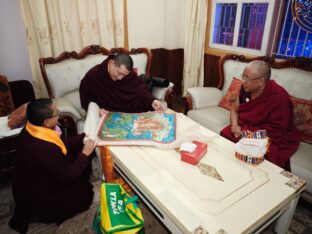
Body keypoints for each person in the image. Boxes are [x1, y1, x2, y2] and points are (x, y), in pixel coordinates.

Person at [9, 98, 96, 233]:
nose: (59, 115)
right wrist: (85, 154)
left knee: (80, 161)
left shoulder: (30, 129)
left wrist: (82, 137)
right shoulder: (44, 149)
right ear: (46, 122)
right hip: (42, 197)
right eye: (57, 113)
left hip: (32, 183)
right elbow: (67, 175)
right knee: (84, 194)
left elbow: (62, 145)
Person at [220, 60, 300, 170]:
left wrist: (245, 134)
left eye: (247, 78)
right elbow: (234, 109)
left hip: (268, 136)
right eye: (243, 76)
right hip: (246, 127)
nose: (243, 81)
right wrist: (234, 125)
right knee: (225, 133)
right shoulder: (245, 89)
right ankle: (230, 168)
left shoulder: (279, 97)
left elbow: (275, 132)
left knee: (269, 154)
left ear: (261, 81)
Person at [79, 53, 165, 113]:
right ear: (112, 63)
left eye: (124, 76)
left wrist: (152, 101)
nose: (120, 78)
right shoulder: (94, 75)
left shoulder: (129, 74)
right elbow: (85, 99)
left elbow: (141, 91)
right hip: (108, 115)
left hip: (131, 112)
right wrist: (97, 110)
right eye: (119, 73)